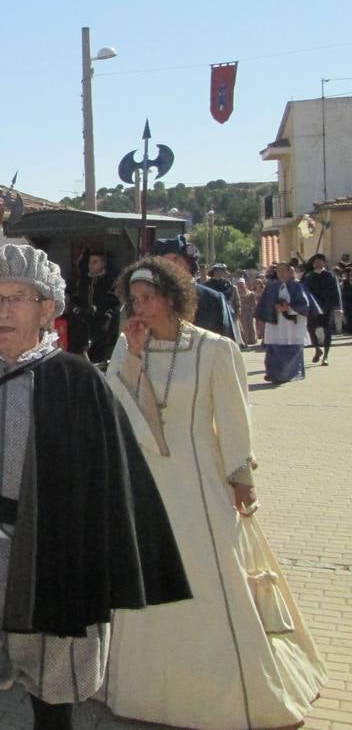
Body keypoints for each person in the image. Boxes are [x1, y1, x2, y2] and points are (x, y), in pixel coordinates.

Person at [0, 245, 190, 730]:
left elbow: (109, 484)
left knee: (54, 697)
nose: (3, 310)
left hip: (54, 561)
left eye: (18, 298)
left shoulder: (79, 381)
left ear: (47, 308)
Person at [102, 257, 326, 728]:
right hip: (145, 484)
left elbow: (235, 419)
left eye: (148, 298)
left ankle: (241, 693)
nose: (139, 308)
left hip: (200, 482)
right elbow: (114, 406)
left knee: (211, 575)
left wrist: (241, 476)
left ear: (173, 298)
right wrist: (135, 356)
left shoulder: (214, 349)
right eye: (134, 300)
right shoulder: (127, 348)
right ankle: (143, 692)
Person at [150, 236, 235, 339]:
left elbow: (228, 345)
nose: (170, 265)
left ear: (188, 263)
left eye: (175, 259)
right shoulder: (149, 300)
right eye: (164, 261)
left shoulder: (213, 300)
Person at [256, 262, 310, 384]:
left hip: (292, 325)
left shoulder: (298, 286)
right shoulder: (271, 287)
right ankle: (273, 374)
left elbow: (304, 305)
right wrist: (273, 308)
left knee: (291, 347)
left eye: (284, 270)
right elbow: (264, 305)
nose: (281, 273)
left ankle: (292, 373)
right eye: (278, 271)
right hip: (275, 323)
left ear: (290, 272)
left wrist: (288, 309)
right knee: (274, 348)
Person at [69, 249, 121, 363]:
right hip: (84, 321)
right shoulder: (82, 281)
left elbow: (113, 301)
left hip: (102, 323)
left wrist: (102, 313)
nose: (91, 265)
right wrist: (78, 309)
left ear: (103, 263)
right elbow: (75, 298)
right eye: (89, 262)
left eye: (95, 262)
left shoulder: (110, 281)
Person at [302, 253, 342, 365]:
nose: (317, 263)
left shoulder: (330, 275)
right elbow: (303, 291)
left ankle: (326, 356)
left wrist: (338, 307)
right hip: (313, 307)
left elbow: (336, 291)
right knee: (310, 328)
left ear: (324, 263)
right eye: (315, 262)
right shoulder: (308, 276)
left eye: (320, 261)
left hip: (326, 307)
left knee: (327, 330)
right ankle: (317, 349)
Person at [235, 277, 258, 345]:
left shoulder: (250, 293)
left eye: (242, 284)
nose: (241, 286)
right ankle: (245, 340)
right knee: (244, 326)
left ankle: (253, 339)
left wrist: (254, 310)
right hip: (242, 312)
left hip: (250, 311)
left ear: (244, 284)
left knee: (251, 325)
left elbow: (254, 303)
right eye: (239, 284)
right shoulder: (237, 293)